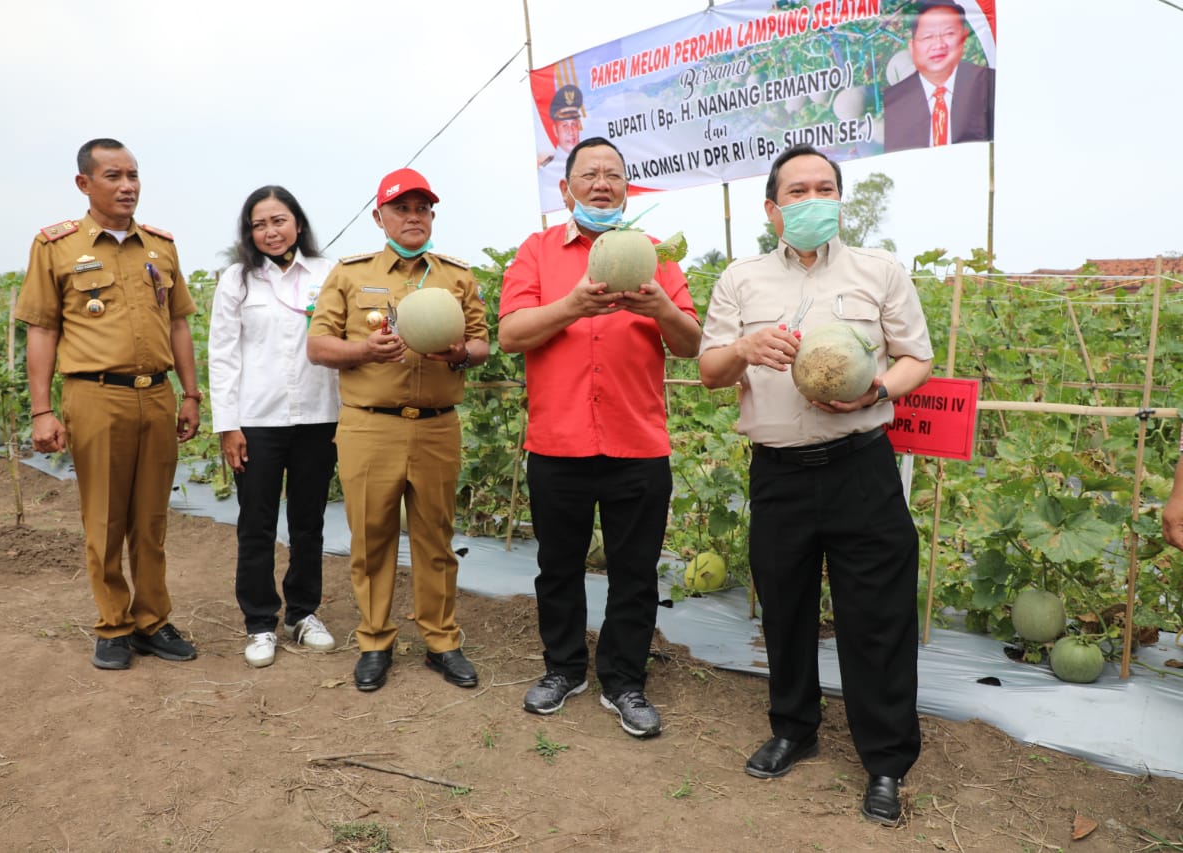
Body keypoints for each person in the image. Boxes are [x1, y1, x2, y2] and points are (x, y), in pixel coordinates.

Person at [697, 144, 933, 825]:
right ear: (772, 209)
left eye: (824, 188)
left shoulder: (879, 270)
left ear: (839, 200)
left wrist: (877, 389)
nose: (812, 200)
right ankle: (794, 729)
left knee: (878, 616)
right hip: (780, 474)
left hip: (862, 466)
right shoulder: (740, 280)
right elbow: (710, 370)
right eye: (797, 191)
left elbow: (916, 356)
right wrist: (744, 348)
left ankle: (885, 759)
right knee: (785, 608)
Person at [500, 136, 701, 739]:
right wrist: (572, 307)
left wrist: (660, 307)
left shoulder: (654, 256)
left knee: (635, 572)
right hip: (558, 443)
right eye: (589, 175)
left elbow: (690, 343)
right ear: (566, 190)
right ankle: (563, 669)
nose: (601, 184)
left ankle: (624, 680)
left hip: (637, 444)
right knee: (557, 567)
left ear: (626, 189)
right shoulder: (536, 252)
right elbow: (511, 334)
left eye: (613, 174)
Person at [15, 138, 203, 671]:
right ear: (85, 183)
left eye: (133, 175)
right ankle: (113, 625)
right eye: (114, 176)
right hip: (95, 395)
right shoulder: (56, 246)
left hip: (157, 395)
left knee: (151, 519)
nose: (127, 186)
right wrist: (42, 410)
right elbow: (42, 329)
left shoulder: (160, 246)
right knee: (103, 519)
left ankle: (152, 621)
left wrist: (191, 394)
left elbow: (178, 324)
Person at [307, 167, 488, 692]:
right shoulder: (349, 274)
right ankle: (374, 641)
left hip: (436, 426)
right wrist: (364, 350)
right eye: (402, 208)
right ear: (379, 216)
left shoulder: (457, 277)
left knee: (436, 539)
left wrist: (460, 353)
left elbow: (481, 343)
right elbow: (318, 346)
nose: (414, 217)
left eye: (422, 208)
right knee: (371, 538)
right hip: (370, 426)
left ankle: (441, 641)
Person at [209, 186, 341, 668]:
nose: (270, 231)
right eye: (259, 224)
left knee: (309, 523)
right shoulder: (237, 280)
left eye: (279, 220)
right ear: (249, 233)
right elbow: (223, 355)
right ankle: (260, 621)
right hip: (257, 421)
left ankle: (303, 613)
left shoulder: (328, 274)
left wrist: (346, 415)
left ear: (298, 224)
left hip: (319, 417)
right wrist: (229, 426)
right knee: (256, 524)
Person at [882, 1, 994, 153]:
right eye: (928, 37)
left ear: (963, 38)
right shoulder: (894, 102)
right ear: (912, 46)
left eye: (949, 34)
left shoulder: (989, 85)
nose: (939, 44)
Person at [537, 84, 586, 212]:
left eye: (574, 125)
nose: (571, 132)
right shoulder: (546, 173)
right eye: (565, 126)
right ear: (555, 130)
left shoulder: (590, 164)